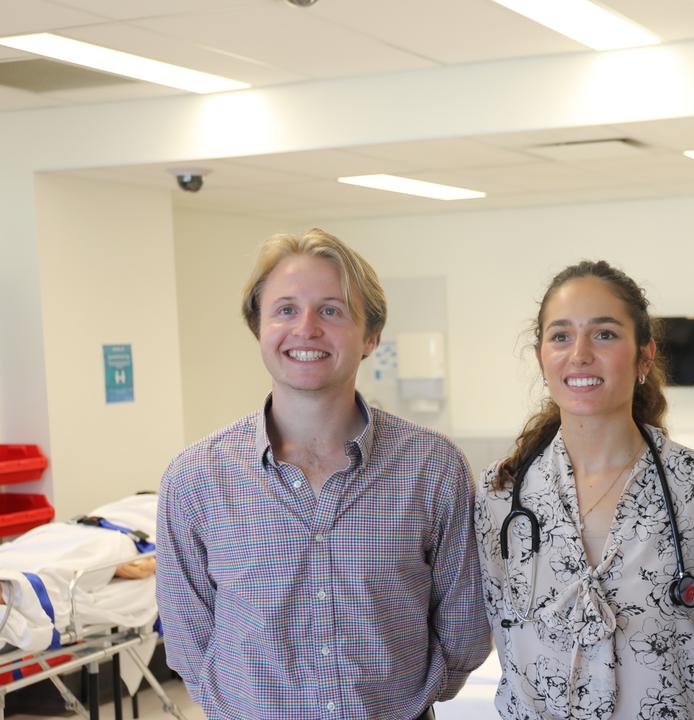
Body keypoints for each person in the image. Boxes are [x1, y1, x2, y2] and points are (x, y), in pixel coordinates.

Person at [156, 229, 489, 720]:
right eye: (285, 309)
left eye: (331, 310)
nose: (306, 328)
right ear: (259, 328)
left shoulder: (432, 468)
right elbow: (187, 641)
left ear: (371, 336)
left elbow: (464, 630)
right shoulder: (195, 480)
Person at [474, 260, 694, 719]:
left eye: (604, 334)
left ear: (644, 357)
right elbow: (507, 643)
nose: (580, 353)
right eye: (561, 336)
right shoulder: (502, 495)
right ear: (541, 358)